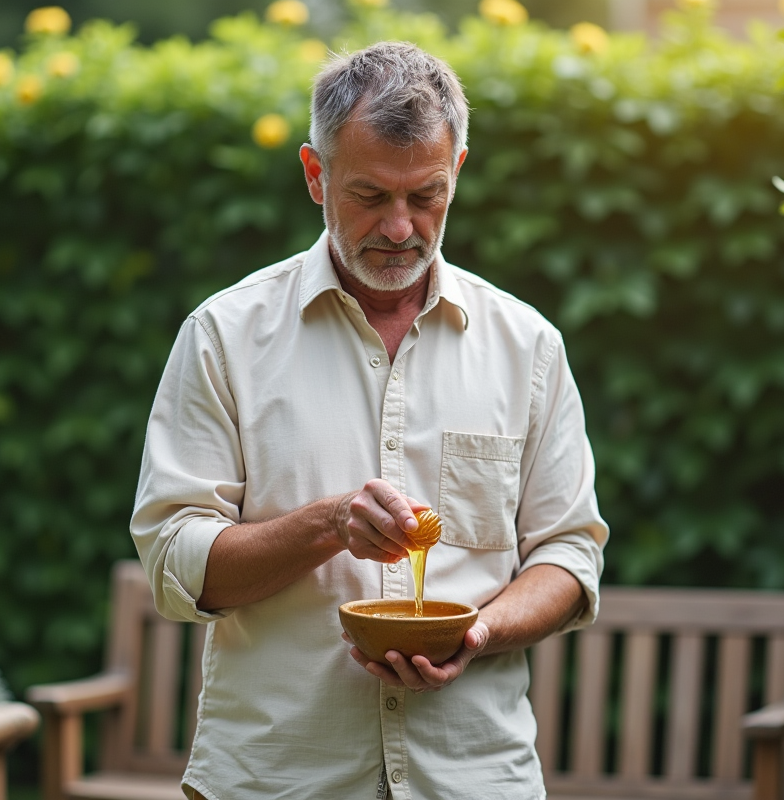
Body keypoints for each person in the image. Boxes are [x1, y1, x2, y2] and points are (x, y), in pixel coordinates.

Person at [131, 41, 608, 800]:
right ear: (315, 175)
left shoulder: (530, 347)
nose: (400, 227)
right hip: (278, 782)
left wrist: (477, 633)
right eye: (370, 195)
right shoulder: (224, 335)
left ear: (458, 170)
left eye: (427, 195)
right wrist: (327, 525)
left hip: (476, 778)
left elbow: (568, 555)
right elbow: (172, 563)